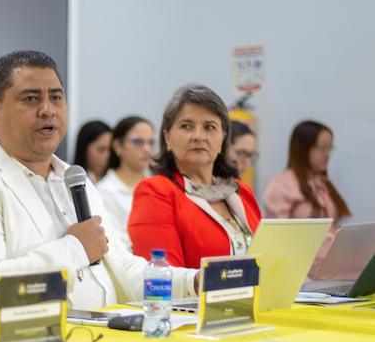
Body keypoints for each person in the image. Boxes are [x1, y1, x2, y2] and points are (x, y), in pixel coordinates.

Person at [0, 51, 198, 325]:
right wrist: (75, 248)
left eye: (56, 97)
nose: (48, 109)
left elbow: (122, 269)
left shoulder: (76, 180)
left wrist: (193, 281)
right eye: (31, 98)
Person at [129, 84, 262, 269]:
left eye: (210, 127)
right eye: (186, 126)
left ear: (223, 138)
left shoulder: (242, 192)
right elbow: (166, 279)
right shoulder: (156, 191)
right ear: (167, 137)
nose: (199, 136)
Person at [263, 120, 351, 278]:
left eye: (330, 148)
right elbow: (276, 239)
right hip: (302, 277)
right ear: (304, 148)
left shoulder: (324, 185)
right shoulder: (282, 184)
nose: (328, 154)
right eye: (323, 148)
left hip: (332, 272)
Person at [97, 116, 156, 249]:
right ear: (118, 146)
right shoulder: (104, 192)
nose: (147, 149)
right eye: (137, 142)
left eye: (151, 142)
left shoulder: (158, 185)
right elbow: (116, 245)